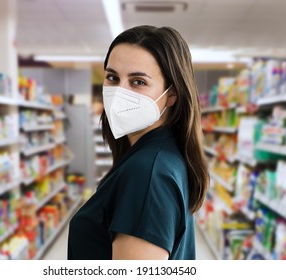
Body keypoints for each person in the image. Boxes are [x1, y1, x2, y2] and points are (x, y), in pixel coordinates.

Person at [68, 25, 209, 260]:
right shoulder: (164, 154)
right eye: (112, 77)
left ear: (172, 94)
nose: (119, 92)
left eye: (138, 82)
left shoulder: (147, 174)